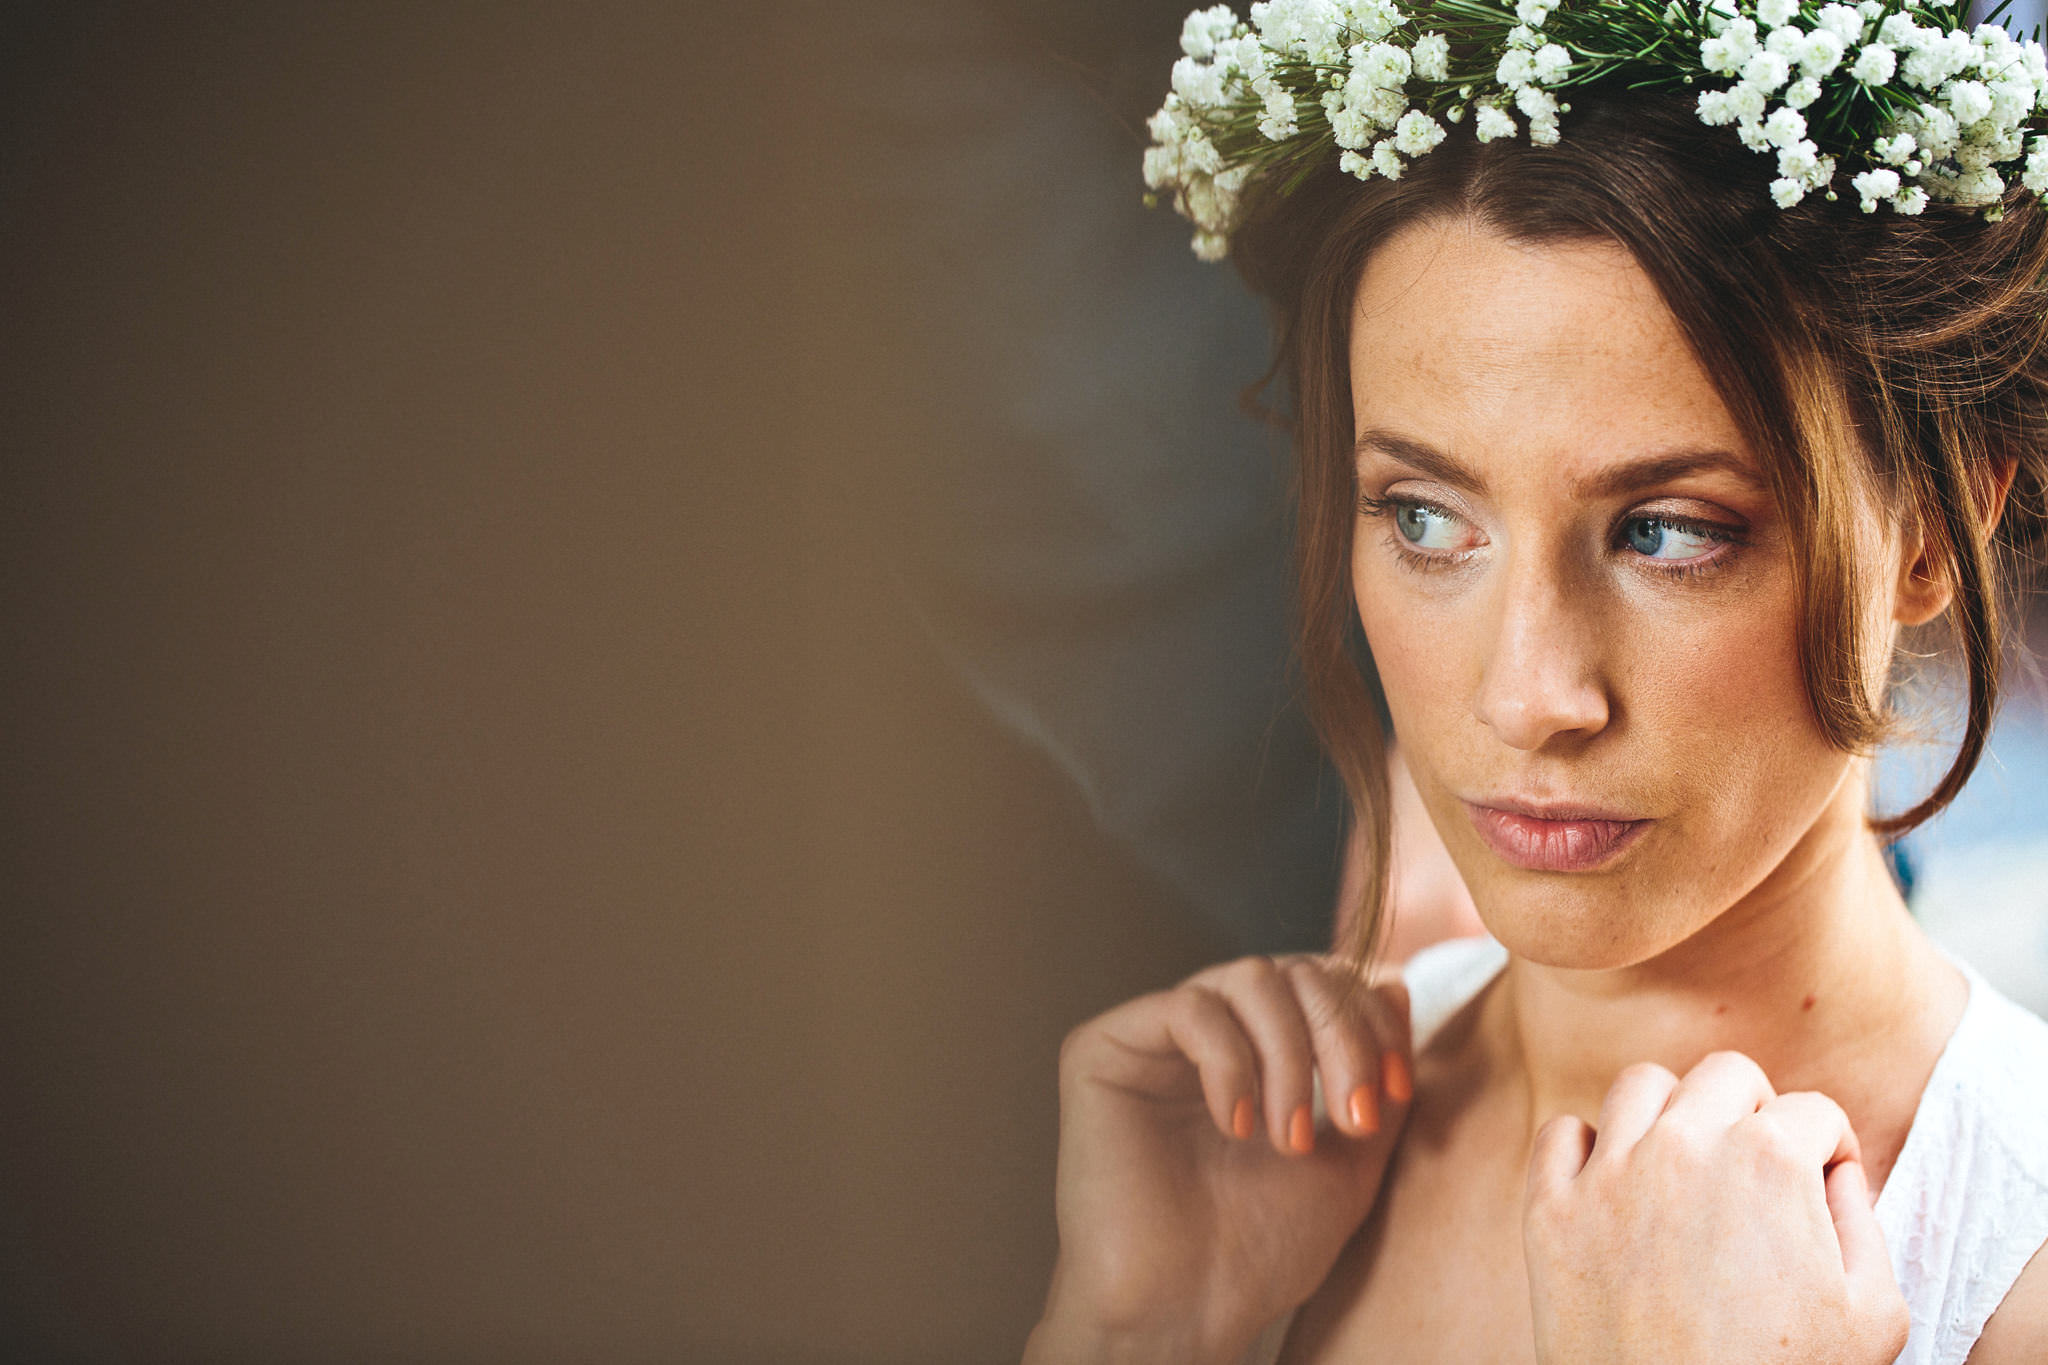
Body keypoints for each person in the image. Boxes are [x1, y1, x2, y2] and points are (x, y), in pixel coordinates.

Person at [1023, 3, 2048, 1362]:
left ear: (1934, 529)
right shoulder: (1248, 1186)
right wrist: (1133, 1329)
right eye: (1427, 518)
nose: (1528, 695)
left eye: (1668, 530)